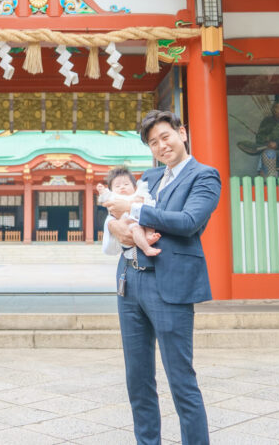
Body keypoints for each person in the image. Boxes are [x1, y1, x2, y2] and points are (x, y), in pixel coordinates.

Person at [102, 109, 220, 444]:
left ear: (182, 133)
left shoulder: (205, 176)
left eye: (165, 137)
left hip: (170, 287)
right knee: (138, 380)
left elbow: (187, 222)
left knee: (181, 380)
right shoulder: (149, 178)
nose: (161, 146)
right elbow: (117, 210)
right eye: (153, 142)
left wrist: (133, 211)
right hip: (130, 283)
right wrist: (113, 224)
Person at [97, 167, 160, 258]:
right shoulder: (114, 198)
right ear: (111, 190)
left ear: (135, 187)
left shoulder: (138, 194)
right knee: (136, 229)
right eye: (117, 186)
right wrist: (102, 191)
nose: (122, 187)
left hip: (143, 219)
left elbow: (148, 203)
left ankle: (150, 235)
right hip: (129, 223)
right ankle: (146, 248)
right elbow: (105, 197)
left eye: (126, 184)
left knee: (149, 221)